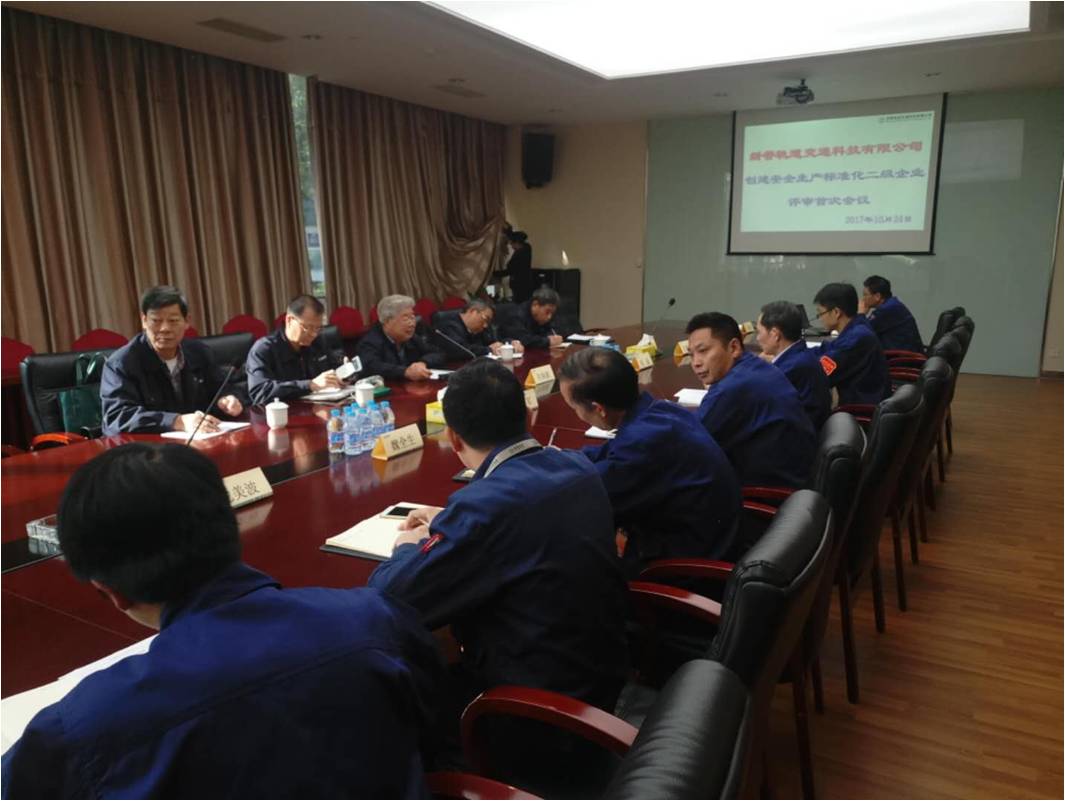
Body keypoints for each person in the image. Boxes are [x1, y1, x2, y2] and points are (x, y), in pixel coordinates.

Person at [0, 443, 441, 799]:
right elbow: (435, 738)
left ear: (110, 591)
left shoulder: (80, 729)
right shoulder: (375, 619)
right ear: (230, 526)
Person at [367, 359, 629, 724]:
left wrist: (408, 545)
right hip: (599, 680)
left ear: (453, 438)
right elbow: (514, 522)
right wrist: (447, 521)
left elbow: (391, 596)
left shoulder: (486, 507)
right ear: (526, 416)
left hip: (534, 711)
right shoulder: (575, 466)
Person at [558, 346, 741, 568]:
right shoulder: (661, 411)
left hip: (686, 562)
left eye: (573, 407)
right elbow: (609, 452)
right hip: (716, 535)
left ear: (599, 409)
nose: (576, 414)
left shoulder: (640, 445)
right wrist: (559, 459)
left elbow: (590, 500)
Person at [687, 312, 816, 489]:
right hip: (795, 478)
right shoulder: (752, 366)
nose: (696, 363)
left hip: (769, 493)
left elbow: (689, 440)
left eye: (703, 351)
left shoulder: (734, 387)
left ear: (734, 347)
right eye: (691, 355)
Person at [100, 286, 244, 435]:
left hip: (200, 441)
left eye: (173, 320)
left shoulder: (199, 353)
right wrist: (177, 421)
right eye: (156, 321)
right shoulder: (121, 364)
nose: (165, 328)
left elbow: (224, 386)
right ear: (144, 321)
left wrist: (227, 399)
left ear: (187, 321)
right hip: (146, 446)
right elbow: (117, 417)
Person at [245, 294, 347, 404]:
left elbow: (332, 367)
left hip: (317, 407)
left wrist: (344, 374)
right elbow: (259, 392)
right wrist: (310, 385)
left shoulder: (317, 342)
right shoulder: (264, 349)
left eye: (318, 328)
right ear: (289, 320)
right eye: (307, 327)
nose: (313, 334)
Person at [809, 283, 891, 405]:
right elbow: (827, 349)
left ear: (836, 312)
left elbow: (821, 374)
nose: (820, 318)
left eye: (821, 313)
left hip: (862, 409)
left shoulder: (856, 338)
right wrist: (796, 352)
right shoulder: (856, 327)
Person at [756, 301, 833, 430]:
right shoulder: (799, 356)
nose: (757, 338)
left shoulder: (790, 369)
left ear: (775, 334)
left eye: (759, 332)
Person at [357, 294, 446, 381]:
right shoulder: (370, 342)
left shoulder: (411, 338)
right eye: (406, 319)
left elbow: (438, 353)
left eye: (412, 317)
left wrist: (422, 363)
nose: (412, 324)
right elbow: (372, 367)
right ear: (387, 321)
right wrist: (405, 372)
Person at [432, 298, 523, 360]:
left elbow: (494, 341)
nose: (485, 325)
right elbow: (461, 350)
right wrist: (489, 350)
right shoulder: (448, 324)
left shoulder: (480, 328)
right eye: (485, 319)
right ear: (472, 311)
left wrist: (511, 343)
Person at [861, 275, 925, 352]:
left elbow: (861, 333)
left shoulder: (886, 310)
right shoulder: (892, 305)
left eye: (865, 295)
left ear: (877, 296)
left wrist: (861, 314)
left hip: (903, 357)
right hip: (902, 354)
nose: (863, 299)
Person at [495, 287, 564, 349]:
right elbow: (524, 340)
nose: (549, 317)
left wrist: (554, 338)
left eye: (552, 313)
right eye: (547, 312)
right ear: (535, 305)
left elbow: (555, 330)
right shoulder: (516, 315)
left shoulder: (543, 318)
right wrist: (548, 341)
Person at [498, 229, 533, 303]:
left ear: (517, 242)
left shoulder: (520, 254)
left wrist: (494, 274)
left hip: (520, 285)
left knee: (520, 303)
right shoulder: (527, 248)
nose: (511, 246)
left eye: (512, 244)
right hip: (525, 283)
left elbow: (510, 270)